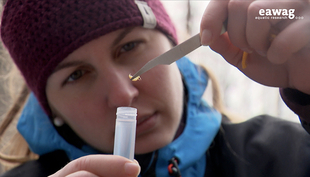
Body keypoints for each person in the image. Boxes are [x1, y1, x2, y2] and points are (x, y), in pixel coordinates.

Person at [0, 0, 309, 176]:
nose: (123, 95)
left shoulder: (287, 157)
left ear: (174, 47)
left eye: (130, 46)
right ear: (51, 109)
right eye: (77, 75)